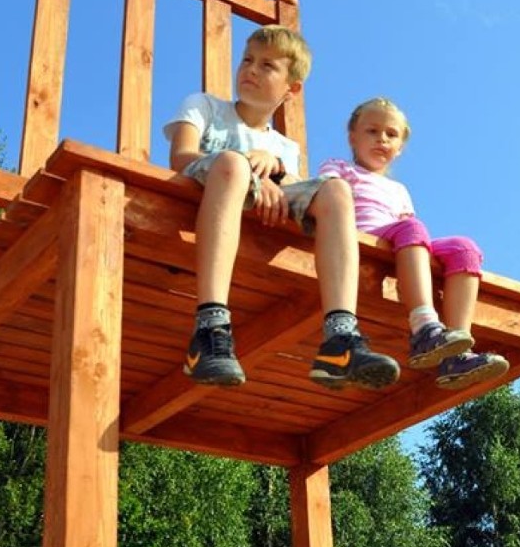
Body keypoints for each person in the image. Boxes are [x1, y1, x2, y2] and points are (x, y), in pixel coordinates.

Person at [164, 27, 400, 391]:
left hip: (260, 206)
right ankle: (209, 327)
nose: (251, 70)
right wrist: (246, 164)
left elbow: (289, 190)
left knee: (337, 189)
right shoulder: (205, 106)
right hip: (207, 187)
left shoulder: (284, 149)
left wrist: (273, 169)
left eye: (267, 65)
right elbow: (181, 157)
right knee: (232, 164)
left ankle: (340, 339)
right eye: (247, 60)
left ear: (291, 88)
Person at [318, 97, 510, 391]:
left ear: (400, 148)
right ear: (352, 138)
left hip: (400, 238)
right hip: (364, 237)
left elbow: (412, 235)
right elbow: (324, 197)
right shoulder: (340, 168)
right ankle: (424, 327)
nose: (381, 138)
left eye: (391, 134)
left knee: (464, 247)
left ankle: (456, 350)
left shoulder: (398, 189)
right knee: (413, 226)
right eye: (372, 131)